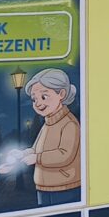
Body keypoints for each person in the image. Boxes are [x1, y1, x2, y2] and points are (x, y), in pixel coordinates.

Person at [24, 67, 80, 204]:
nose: (38, 103)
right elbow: (36, 149)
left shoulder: (69, 123)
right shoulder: (46, 124)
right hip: (43, 186)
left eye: (44, 96)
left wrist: (37, 158)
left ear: (61, 94)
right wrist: (24, 153)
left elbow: (64, 155)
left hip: (65, 187)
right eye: (34, 99)